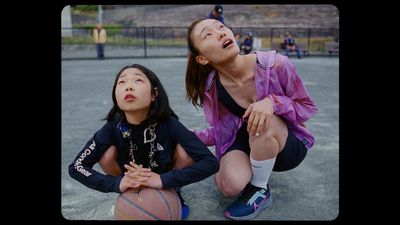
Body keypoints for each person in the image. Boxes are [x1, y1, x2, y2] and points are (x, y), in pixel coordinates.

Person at [185, 18, 318, 220]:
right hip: (247, 140)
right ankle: (252, 168)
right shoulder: (212, 87)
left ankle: (259, 189)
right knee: (229, 186)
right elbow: (221, 130)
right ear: (202, 58)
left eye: (221, 27)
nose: (220, 32)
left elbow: (306, 107)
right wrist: (183, 136)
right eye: (208, 34)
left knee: (264, 119)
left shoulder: (276, 64)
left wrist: (272, 103)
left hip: (287, 143)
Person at [68, 64, 219, 220]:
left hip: (164, 174)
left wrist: (164, 180)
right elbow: (76, 167)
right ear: (115, 96)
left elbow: (210, 162)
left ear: (154, 95)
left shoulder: (169, 123)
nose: (129, 87)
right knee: (106, 154)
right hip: (129, 177)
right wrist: (116, 183)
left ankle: (174, 191)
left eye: (138, 81)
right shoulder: (112, 127)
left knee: (185, 152)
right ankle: (129, 193)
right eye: (122, 82)